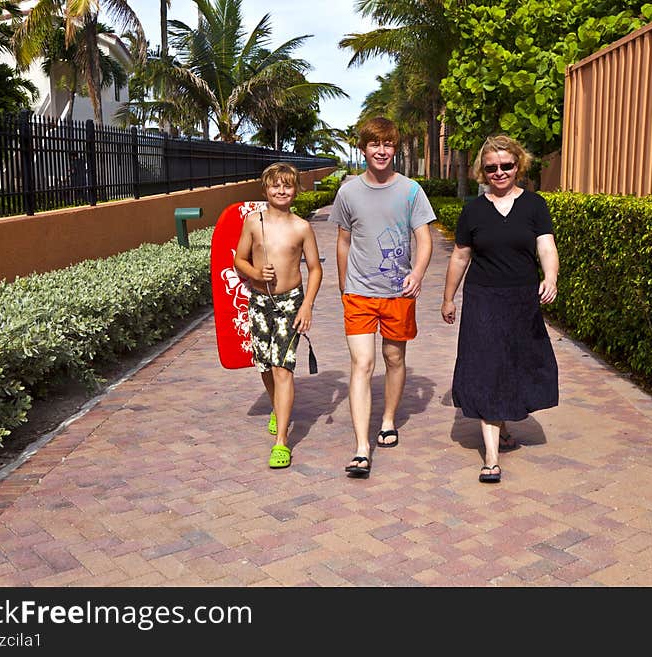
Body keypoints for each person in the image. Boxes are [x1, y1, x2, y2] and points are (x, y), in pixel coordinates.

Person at [441, 135, 559, 484]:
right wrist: (448, 298)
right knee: (487, 367)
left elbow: (546, 247)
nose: (499, 172)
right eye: (491, 167)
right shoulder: (473, 210)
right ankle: (491, 456)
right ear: (483, 170)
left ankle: (503, 427)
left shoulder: (535, 205)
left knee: (512, 365)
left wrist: (550, 278)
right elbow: (461, 255)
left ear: (518, 165)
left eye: (506, 165)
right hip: (483, 299)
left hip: (522, 300)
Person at [329, 116, 436, 478]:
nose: (381, 151)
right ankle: (361, 448)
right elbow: (343, 240)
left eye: (387, 145)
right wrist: (343, 286)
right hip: (359, 293)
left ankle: (388, 419)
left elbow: (424, 238)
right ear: (364, 149)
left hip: (397, 292)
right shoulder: (348, 192)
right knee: (362, 364)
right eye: (375, 144)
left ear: (395, 149)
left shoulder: (410, 191)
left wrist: (417, 274)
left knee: (393, 358)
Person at [234, 162, 322, 469]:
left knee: (283, 368)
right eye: (275, 185)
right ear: (265, 189)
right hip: (260, 301)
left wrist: (307, 304)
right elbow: (238, 261)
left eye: (287, 185)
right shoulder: (252, 222)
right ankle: (277, 407)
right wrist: (256, 272)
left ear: (296, 190)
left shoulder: (301, 227)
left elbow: (315, 269)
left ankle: (281, 442)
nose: (281, 190)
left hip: (290, 304)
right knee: (265, 366)